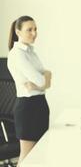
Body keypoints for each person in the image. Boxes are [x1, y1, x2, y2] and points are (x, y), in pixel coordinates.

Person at [7, 16, 51, 165]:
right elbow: (42, 80)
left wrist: (44, 79)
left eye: (35, 29)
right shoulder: (17, 54)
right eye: (29, 30)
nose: (34, 33)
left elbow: (45, 79)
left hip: (40, 104)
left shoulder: (31, 52)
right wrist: (44, 79)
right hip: (27, 108)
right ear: (18, 32)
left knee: (39, 154)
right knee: (27, 156)